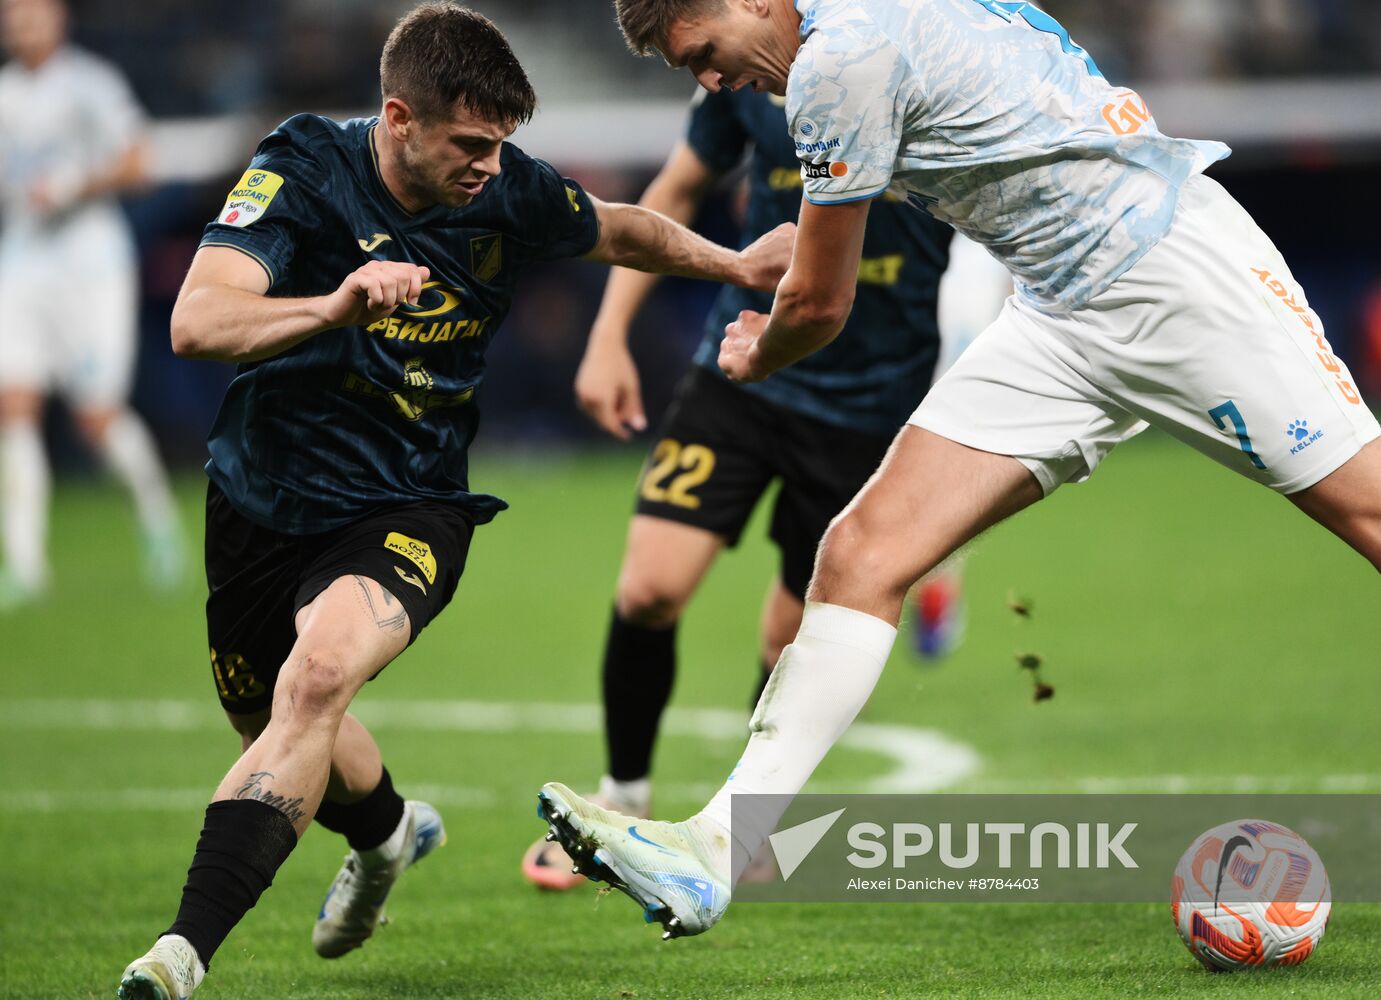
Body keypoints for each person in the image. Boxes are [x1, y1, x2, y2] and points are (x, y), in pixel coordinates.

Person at [538, 0, 1381, 941]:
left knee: (1369, 515)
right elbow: (973, 123)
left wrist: (756, 352)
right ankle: (712, 853)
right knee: (859, 553)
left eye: (697, 53)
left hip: (1171, 277)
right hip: (1060, 310)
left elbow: (817, 307)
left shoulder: (836, 57)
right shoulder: (862, 30)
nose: (708, 81)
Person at [115, 5, 792, 997]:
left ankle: (178, 955)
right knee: (275, 719)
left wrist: (734, 265)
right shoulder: (304, 168)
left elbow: (622, 230)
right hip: (261, 497)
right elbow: (197, 321)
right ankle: (390, 834)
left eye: (501, 144)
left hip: (408, 502)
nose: (488, 164)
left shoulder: (505, 190)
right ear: (399, 118)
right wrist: (336, 303)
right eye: (470, 143)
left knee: (317, 679)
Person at [519, 83, 1004, 889]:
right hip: (738, 372)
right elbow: (673, 187)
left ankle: (736, 830)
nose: (700, 66)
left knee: (788, 642)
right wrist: (607, 335)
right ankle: (622, 801)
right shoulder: (742, 85)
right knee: (647, 590)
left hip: (865, 412)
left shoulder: (917, 79)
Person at [0, 0, 183, 608]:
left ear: (58, 17)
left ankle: (158, 523)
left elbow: (141, 162)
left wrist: (75, 185)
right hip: (23, 264)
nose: (22, 23)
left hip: (90, 269)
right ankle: (25, 566)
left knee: (96, 417)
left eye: (32, 12)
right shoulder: (4, 94)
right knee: (13, 404)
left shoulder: (91, 84)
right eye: (12, 13)